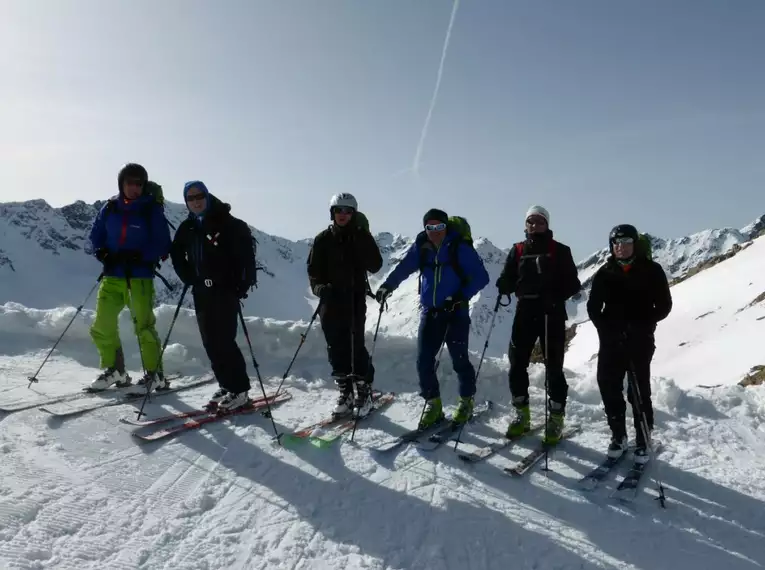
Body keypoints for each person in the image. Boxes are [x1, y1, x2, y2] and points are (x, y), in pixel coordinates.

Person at [376, 209, 490, 429]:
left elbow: (481, 277)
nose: (435, 232)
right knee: (423, 361)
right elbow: (403, 268)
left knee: (459, 361)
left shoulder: (460, 248)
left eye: (439, 227)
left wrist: (460, 297)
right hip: (430, 312)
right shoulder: (422, 248)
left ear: (446, 227)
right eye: (430, 228)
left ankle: (466, 401)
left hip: (456, 313)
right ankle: (433, 404)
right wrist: (387, 286)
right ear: (425, 229)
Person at [586, 224, 672, 463]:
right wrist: (606, 328)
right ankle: (618, 435)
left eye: (625, 242)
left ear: (635, 244)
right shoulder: (605, 273)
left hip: (640, 339)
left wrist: (643, 323)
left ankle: (643, 438)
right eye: (616, 243)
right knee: (608, 384)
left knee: (638, 389)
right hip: (612, 340)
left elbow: (664, 305)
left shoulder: (652, 271)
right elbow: (593, 307)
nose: (620, 247)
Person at [496, 205, 581, 444]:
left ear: (547, 224)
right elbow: (509, 278)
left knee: (553, 367)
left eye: (539, 221)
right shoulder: (518, 250)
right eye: (531, 222)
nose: (535, 225)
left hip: (551, 313)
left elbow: (574, 284)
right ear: (526, 225)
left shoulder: (560, 250)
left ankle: (556, 417)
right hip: (525, 312)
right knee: (516, 364)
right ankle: (521, 414)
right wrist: (503, 284)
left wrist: (555, 295)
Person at [170, 181, 257, 411]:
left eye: (200, 196)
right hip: (201, 290)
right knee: (210, 341)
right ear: (186, 202)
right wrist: (187, 276)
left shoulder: (226, 223)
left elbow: (245, 256)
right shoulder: (188, 227)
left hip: (225, 290)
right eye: (190, 198)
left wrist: (242, 284)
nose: (196, 201)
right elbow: (176, 253)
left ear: (207, 196)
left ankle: (240, 390)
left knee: (224, 340)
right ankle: (227, 384)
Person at [88, 163, 172, 394]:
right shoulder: (110, 207)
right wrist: (102, 252)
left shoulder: (150, 210)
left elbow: (163, 242)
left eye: (139, 183)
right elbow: (96, 235)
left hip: (139, 277)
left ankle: (156, 375)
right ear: (121, 184)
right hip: (113, 275)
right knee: (101, 325)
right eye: (130, 182)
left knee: (144, 327)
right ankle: (115, 371)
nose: (134, 187)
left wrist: (141, 256)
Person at [307, 193, 383, 416]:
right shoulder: (322, 239)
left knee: (355, 344)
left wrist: (363, 239)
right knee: (335, 346)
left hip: (354, 299)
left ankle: (364, 389)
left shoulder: (361, 236)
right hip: (330, 300)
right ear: (332, 213)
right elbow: (313, 271)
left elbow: (375, 265)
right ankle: (346, 391)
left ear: (354, 214)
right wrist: (319, 288)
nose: (343, 215)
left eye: (348, 211)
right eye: (339, 210)